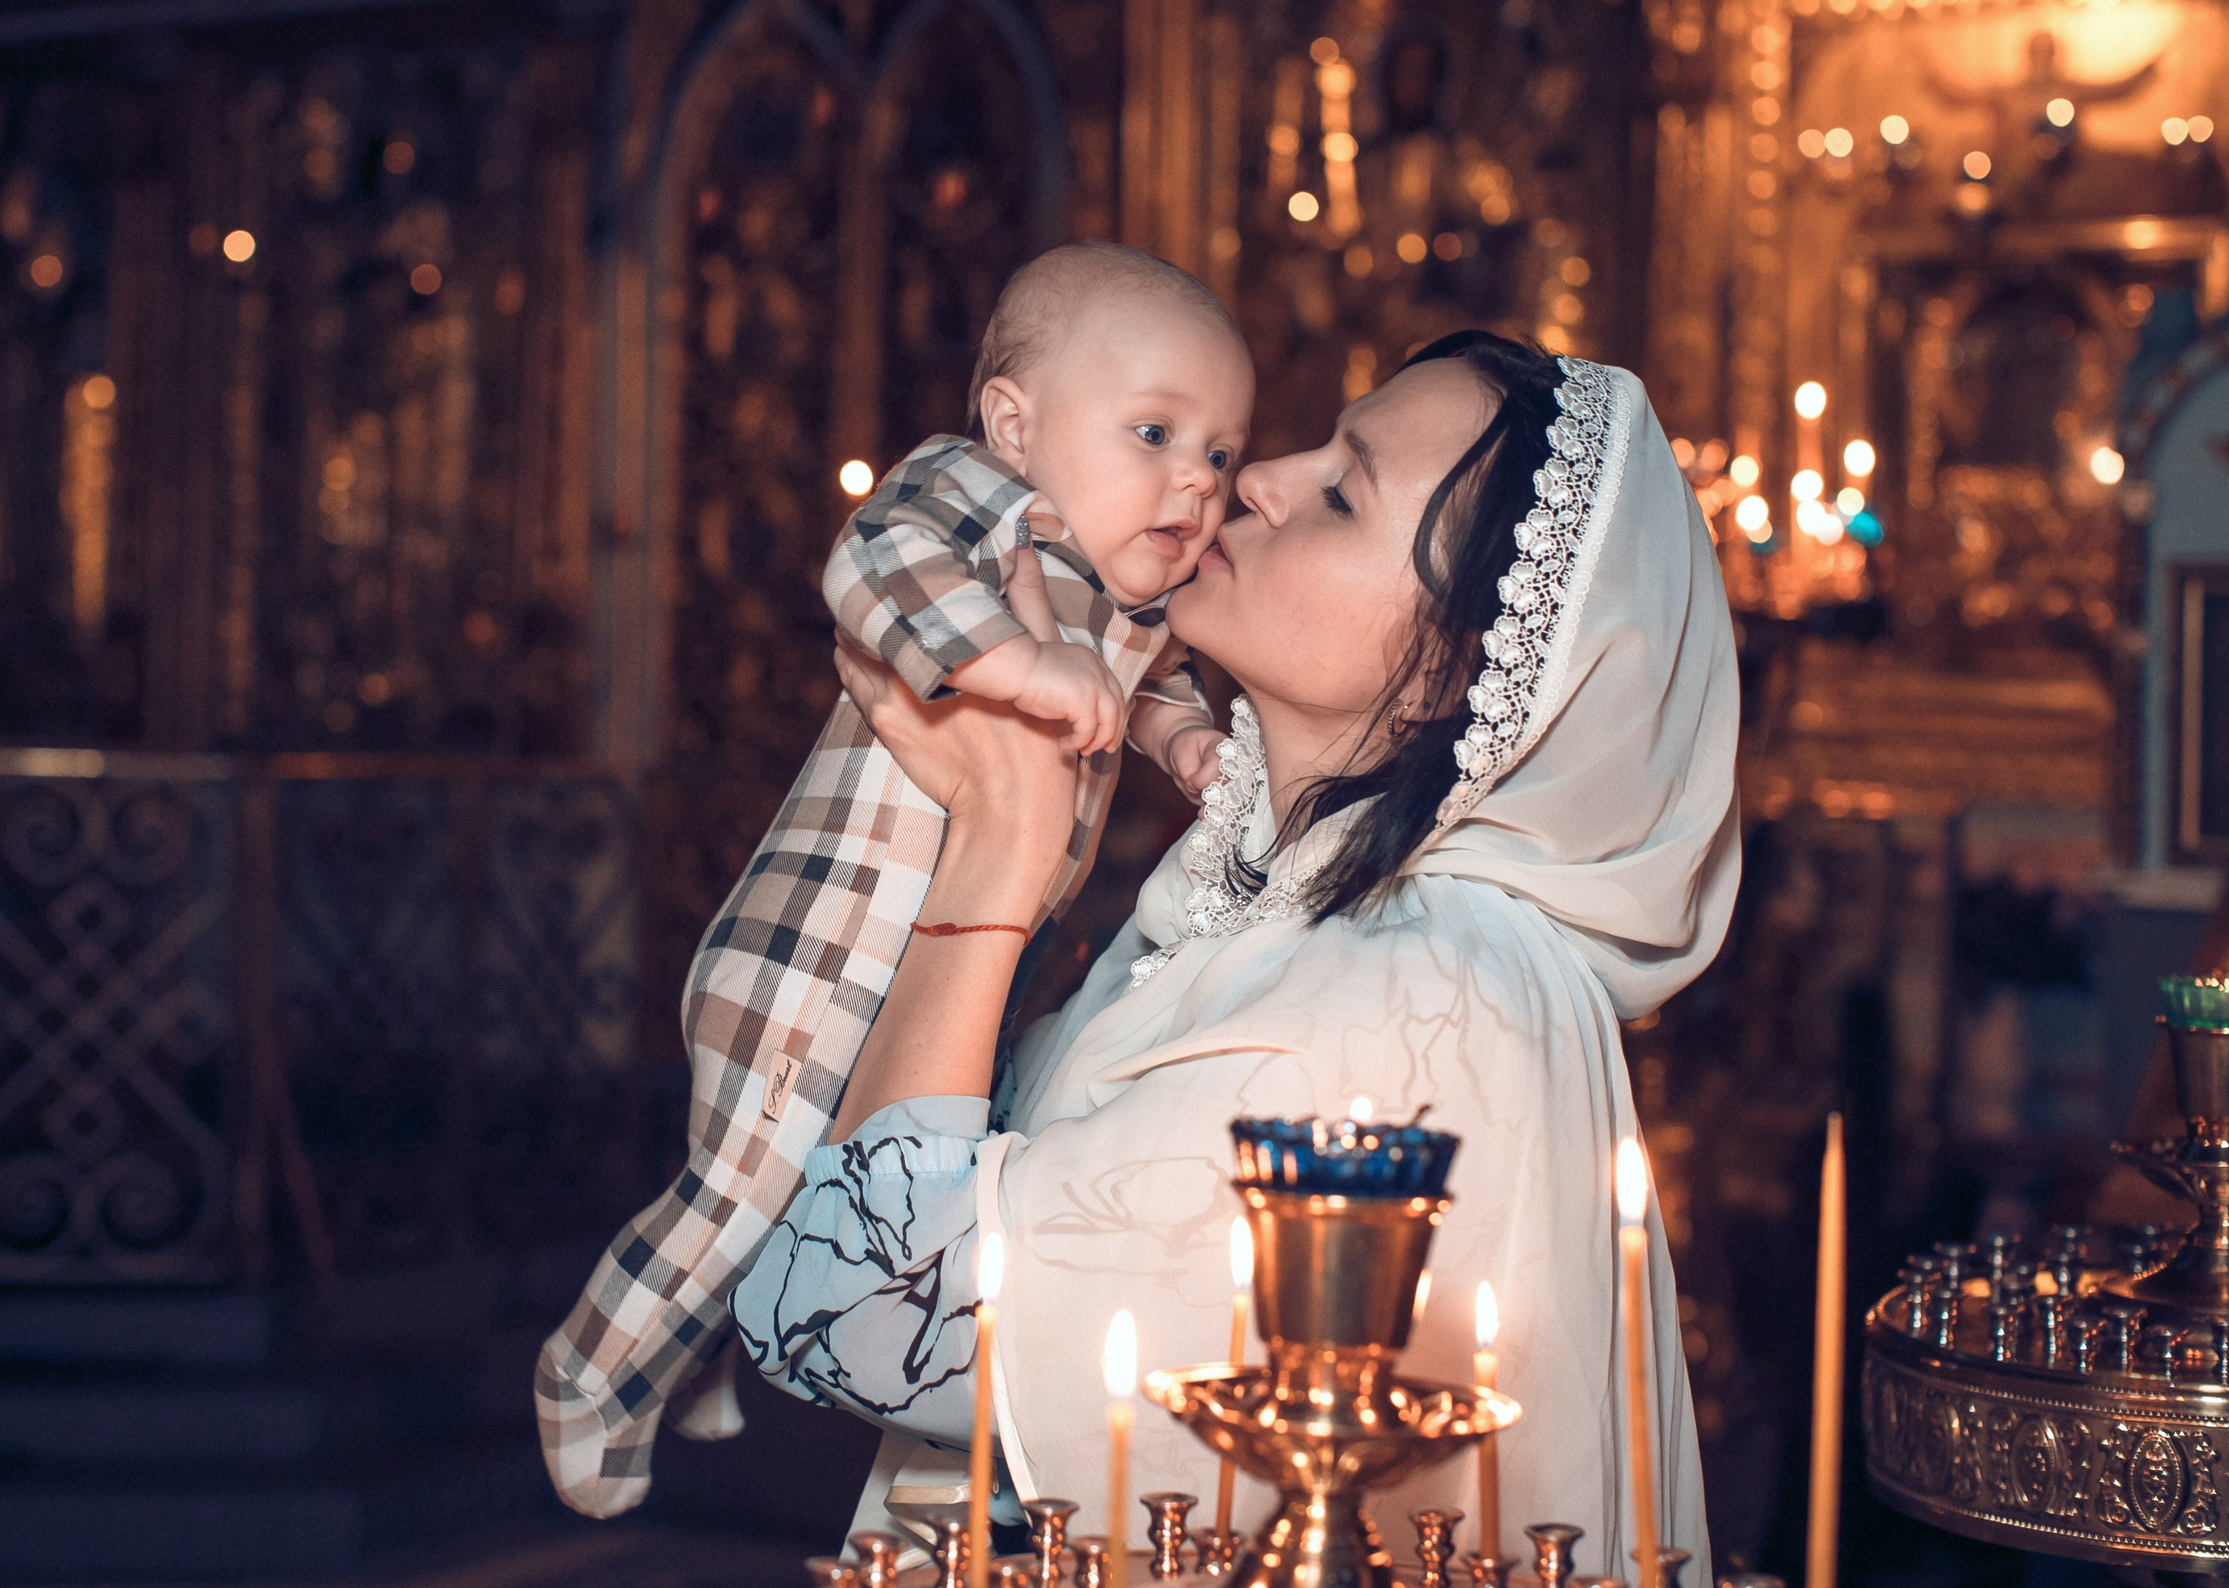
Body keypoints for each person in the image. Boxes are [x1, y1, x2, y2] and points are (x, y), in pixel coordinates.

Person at [731, 335, 1738, 1579]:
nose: (1257, 476)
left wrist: (996, 847)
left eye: (1339, 492)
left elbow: (835, 1316)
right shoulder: (1276, 916)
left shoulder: (1407, 997)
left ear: (1459, 669)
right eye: (1315, 442)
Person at [538, 244, 1254, 1517]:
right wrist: (1011, 668)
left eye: (1219, 454)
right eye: (1153, 431)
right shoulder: (973, 499)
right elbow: (871, 569)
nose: (1194, 482)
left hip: (917, 961)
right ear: (1013, 425)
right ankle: (590, 1376)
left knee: (812, 1182)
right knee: (739, 1185)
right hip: (813, 945)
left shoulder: (1132, 603)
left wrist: (1184, 737)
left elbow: (1153, 691)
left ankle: (694, 1368)